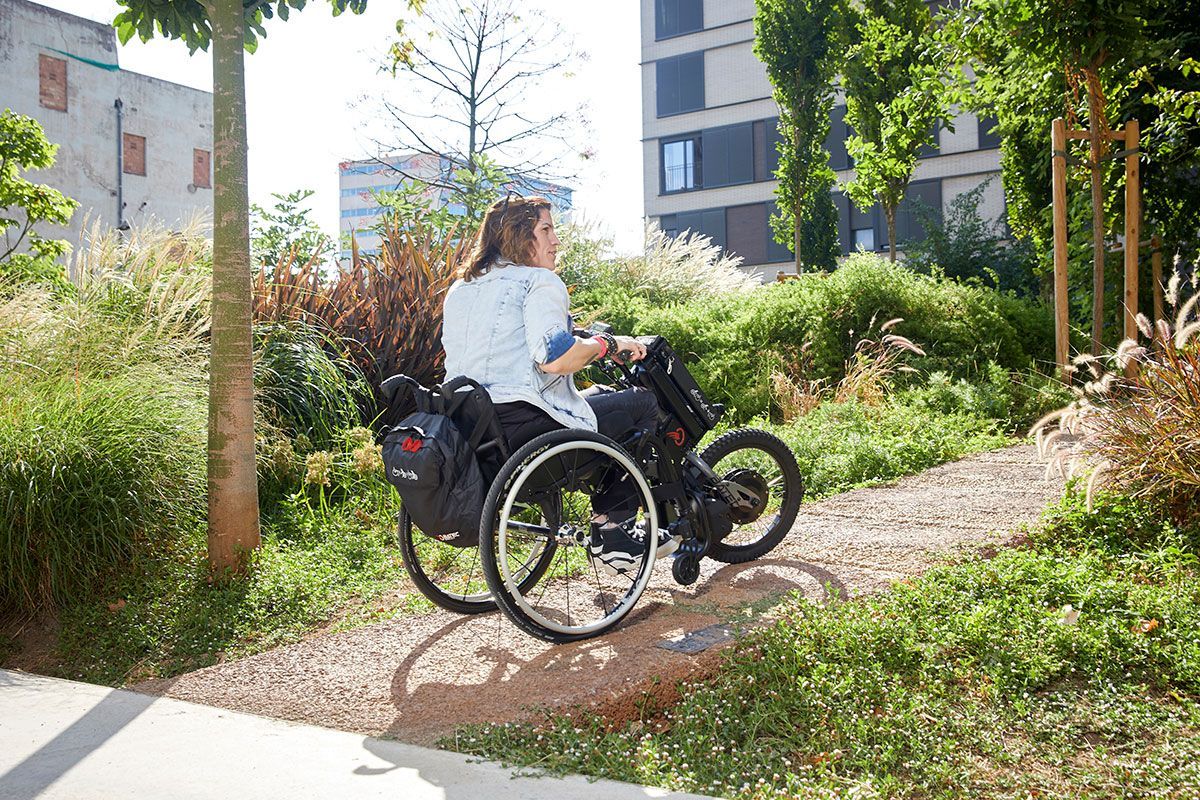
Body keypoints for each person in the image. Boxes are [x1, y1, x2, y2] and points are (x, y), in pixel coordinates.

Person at [441, 194, 677, 575]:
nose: (555, 241)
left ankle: (609, 506)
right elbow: (554, 358)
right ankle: (612, 528)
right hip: (530, 429)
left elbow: (508, 342)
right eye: (546, 230)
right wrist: (608, 344)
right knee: (641, 406)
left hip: (479, 431)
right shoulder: (538, 281)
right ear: (520, 236)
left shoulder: (462, 289)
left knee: (599, 397)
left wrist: (583, 338)